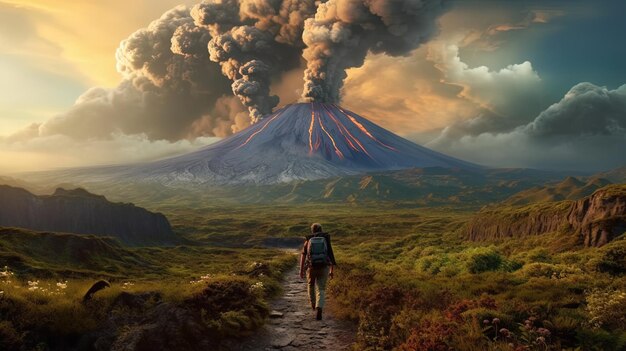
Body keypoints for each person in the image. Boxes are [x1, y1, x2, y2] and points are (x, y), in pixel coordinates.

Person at [299, 223, 337, 320]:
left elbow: (303, 255)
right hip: (324, 267)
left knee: (310, 284)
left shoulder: (308, 240)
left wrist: (301, 270)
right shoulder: (326, 239)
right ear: (321, 229)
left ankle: (313, 303)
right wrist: (331, 270)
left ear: (312, 230)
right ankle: (319, 306)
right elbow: (331, 255)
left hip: (311, 267)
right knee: (321, 288)